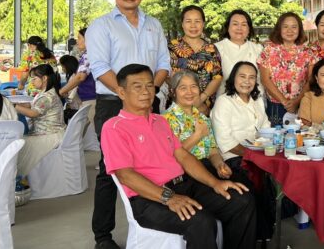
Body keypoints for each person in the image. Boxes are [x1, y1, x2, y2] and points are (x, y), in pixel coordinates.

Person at [101, 64, 256, 248]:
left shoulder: (160, 121)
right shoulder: (114, 127)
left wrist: (215, 183)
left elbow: (183, 156)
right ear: (121, 92)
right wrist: (169, 197)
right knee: (201, 222)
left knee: (241, 201)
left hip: (183, 185)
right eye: (137, 86)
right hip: (149, 198)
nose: (146, 92)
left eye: (150, 85)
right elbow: (125, 175)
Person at [86, 0, 171, 249]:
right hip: (113, 103)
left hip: (149, 103)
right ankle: (103, 236)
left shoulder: (154, 25)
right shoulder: (101, 26)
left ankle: (157, 219)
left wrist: (148, 92)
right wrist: (126, 95)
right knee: (110, 169)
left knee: (154, 161)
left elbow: (163, 63)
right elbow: (100, 67)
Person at [211, 61, 276, 241]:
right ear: (233, 78)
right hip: (233, 159)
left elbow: (266, 127)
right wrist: (254, 154)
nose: (247, 81)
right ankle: (257, 233)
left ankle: (265, 231)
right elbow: (226, 142)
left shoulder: (257, 100)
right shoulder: (225, 102)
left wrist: (269, 145)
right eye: (242, 76)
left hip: (257, 155)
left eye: (252, 77)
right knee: (253, 183)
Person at [163, 71, 232, 180]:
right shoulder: (165, 119)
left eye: (193, 86)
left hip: (207, 169)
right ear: (173, 91)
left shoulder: (203, 118)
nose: (189, 92)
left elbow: (212, 151)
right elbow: (170, 156)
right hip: (185, 174)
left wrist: (219, 165)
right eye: (183, 88)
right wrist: (198, 135)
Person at [257, 12, 315, 125]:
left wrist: (296, 101)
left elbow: (311, 80)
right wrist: (285, 102)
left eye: (294, 27)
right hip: (275, 105)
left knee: (301, 135)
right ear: (279, 29)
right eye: (285, 26)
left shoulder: (308, 52)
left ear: (299, 29)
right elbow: (265, 79)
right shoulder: (268, 50)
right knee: (275, 135)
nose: (290, 30)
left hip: (301, 105)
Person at [169, 5, 223, 114]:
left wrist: (201, 100)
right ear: (182, 24)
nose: (193, 25)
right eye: (188, 21)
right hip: (179, 107)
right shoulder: (172, 47)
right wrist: (189, 100)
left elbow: (217, 77)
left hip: (205, 107)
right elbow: (168, 76)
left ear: (203, 24)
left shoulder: (211, 48)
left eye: (197, 21)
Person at [15, 64, 66, 175]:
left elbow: (33, 113)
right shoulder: (46, 92)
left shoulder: (47, 96)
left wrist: (15, 106)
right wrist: (17, 104)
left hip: (50, 135)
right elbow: (32, 105)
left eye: (34, 78)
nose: (32, 81)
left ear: (44, 78)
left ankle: (22, 177)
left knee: (17, 145)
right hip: (52, 132)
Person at [215, 9, 263, 98]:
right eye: (235, 24)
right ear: (228, 27)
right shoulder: (217, 49)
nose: (239, 28)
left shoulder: (258, 49)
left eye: (244, 24)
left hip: (255, 100)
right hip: (225, 100)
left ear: (249, 28)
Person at [58, 28, 97, 127]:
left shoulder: (89, 54)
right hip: (90, 98)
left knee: (89, 132)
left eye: (79, 38)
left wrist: (62, 91)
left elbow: (80, 77)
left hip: (91, 98)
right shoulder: (92, 53)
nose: (76, 41)